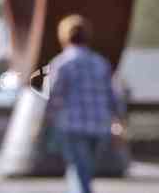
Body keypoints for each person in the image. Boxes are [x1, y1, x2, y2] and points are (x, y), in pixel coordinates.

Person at [44, 15, 123, 193]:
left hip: (72, 126)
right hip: (98, 126)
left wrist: (47, 120)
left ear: (63, 36)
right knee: (83, 170)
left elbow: (53, 96)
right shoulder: (100, 63)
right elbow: (113, 95)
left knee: (79, 170)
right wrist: (117, 119)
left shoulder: (61, 64)